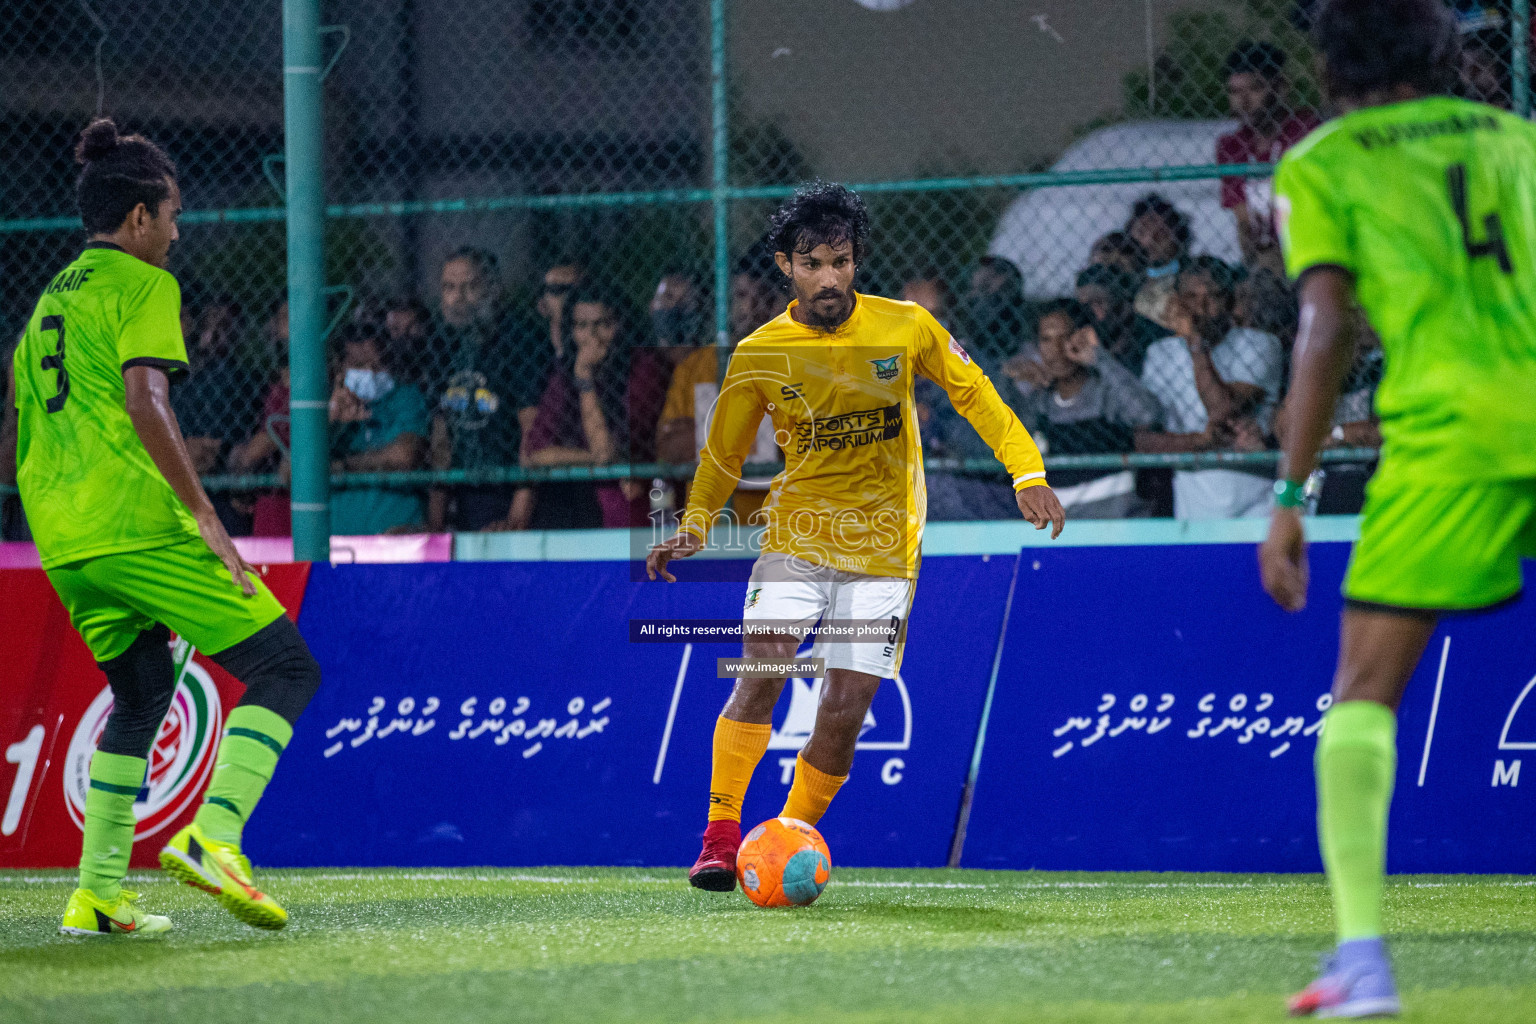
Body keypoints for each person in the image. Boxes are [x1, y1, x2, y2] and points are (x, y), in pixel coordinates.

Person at [644, 182, 1065, 892]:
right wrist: (693, 525)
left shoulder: (906, 325)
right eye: (813, 263)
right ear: (786, 265)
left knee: (843, 711)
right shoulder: (760, 351)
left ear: (856, 259)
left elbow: (975, 393)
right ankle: (720, 836)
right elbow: (722, 455)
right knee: (763, 669)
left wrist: (1027, 472)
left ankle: (783, 837)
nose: (830, 277)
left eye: (840, 261)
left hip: (883, 550)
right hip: (798, 535)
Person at [1261, 1, 1536, 1015]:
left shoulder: (1321, 165)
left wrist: (1290, 495)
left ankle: (1364, 966)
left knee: (1363, 694)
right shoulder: (1519, 141)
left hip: (1450, 440)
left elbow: (1326, 324)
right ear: (1447, 55)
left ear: (1330, 65)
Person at [12, 119, 321, 936]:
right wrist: (207, 517)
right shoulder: (143, 285)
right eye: (173, 213)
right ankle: (215, 834)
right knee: (287, 668)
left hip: (64, 540)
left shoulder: (51, 299)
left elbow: (15, 434)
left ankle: (99, 895)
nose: (178, 231)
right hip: (135, 524)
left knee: (142, 695)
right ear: (140, 217)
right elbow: (147, 402)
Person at [1138, 256, 1285, 518]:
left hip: (1258, 506)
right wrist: (1199, 441)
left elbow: (1221, 410)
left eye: (1212, 297)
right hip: (1192, 509)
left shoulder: (1260, 344)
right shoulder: (1160, 353)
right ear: (1177, 302)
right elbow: (1142, 439)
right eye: (1191, 298)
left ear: (1229, 302)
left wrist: (1194, 342)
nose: (1200, 308)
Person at [654, 247, 785, 526]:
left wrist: (705, 433)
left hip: (778, 524)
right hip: (709, 526)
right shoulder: (697, 366)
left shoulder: (798, 364)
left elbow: (801, 448)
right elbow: (669, 448)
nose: (748, 308)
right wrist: (752, 436)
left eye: (764, 298)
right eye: (740, 296)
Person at [424, 248, 545, 532]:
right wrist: (434, 522)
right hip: (467, 492)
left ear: (494, 289)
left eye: (470, 286)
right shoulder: (442, 344)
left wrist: (517, 516)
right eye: (449, 288)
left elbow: (532, 430)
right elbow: (441, 438)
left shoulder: (520, 339)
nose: (458, 298)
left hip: (513, 488)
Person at [1011, 300, 1163, 519]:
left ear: (1082, 337)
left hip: (1113, 522)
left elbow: (1148, 414)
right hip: (1058, 528)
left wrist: (1099, 358)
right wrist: (1009, 384)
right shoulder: (1040, 402)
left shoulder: (1105, 392)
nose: (1056, 350)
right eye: (1046, 340)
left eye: (1065, 338)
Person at [518, 287, 635, 529]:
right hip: (578, 500)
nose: (591, 337)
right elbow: (535, 452)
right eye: (581, 326)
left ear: (621, 325)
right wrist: (595, 459)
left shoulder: (640, 370)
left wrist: (585, 379)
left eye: (602, 324)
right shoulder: (565, 374)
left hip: (627, 502)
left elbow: (605, 446)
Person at [1217, 41, 1322, 271]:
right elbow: (1244, 221)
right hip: (1265, 258)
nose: (1243, 102)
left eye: (1255, 89)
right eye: (1235, 92)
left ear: (1280, 88)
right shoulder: (1232, 146)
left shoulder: (1305, 131)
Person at [327, 324, 428, 535]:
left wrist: (343, 465)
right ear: (340, 370)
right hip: (337, 540)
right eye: (359, 366)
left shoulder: (405, 396)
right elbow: (291, 470)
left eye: (377, 365)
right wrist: (331, 422)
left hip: (394, 537)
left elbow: (404, 455)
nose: (370, 373)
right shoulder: (327, 408)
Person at [171, 294, 254, 536]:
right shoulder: (165, 377)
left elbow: (207, 451)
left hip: (218, 497)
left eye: (183, 317)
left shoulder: (228, 377)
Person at [1126, 193, 1193, 330]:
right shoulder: (1124, 280)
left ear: (1177, 237)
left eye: (1161, 233)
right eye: (1142, 231)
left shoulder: (1189, 277)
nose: (1151, 240)